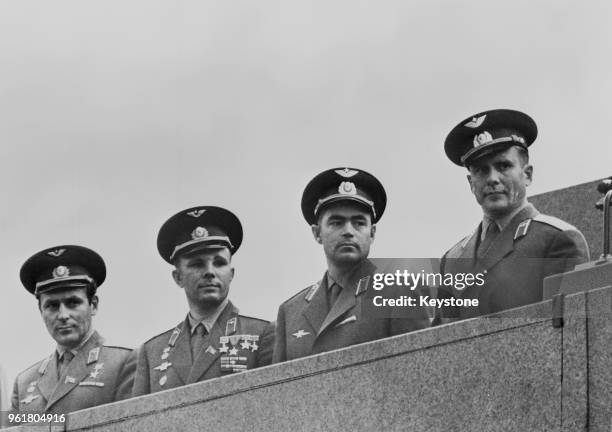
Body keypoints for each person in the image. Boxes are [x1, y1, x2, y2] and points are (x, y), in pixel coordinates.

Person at [439, 109, 590, 320]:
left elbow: (569, 333)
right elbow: (439, 342)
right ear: (470, 183)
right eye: (481, 170)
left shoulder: (557, 240)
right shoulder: (452, 259)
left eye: (503, 166)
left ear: (527, 175)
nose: (492, 178)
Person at [273, 168, 430, 363]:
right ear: (317, 233)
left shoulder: (398, 292)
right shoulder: (290, 312)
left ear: (372, 233)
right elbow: (277, 390)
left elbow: (421, 376)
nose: (348, 231)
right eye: (336, 222)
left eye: (358, 223)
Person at [132, 206, 273, 396]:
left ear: (231, 274)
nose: (210, 272)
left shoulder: (262, 334)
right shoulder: (152, 352)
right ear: (178, 277)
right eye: (197, 264)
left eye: (219, 263)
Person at [11, 245, 135, 415]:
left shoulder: (124, 362)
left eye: (73, 303)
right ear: (41, 311)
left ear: (93, 305)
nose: (63, 315)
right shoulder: (24, 382)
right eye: (52, 306)